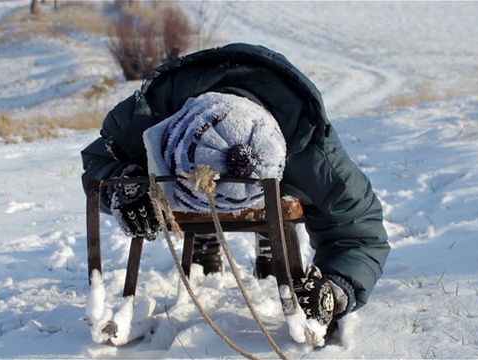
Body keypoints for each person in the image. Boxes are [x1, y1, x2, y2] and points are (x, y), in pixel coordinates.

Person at [81, 43, 390, 338]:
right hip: (181, 141)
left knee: (264, 196)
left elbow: (360, 230)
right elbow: (97, 161)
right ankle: (202, 224)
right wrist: (126, 184)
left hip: (278, 179)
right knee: (202, 189)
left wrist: (336, 290)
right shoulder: (148, 117)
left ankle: (268, 231)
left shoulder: (312, 153)